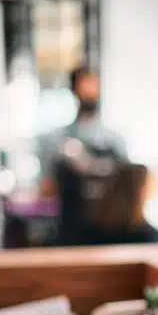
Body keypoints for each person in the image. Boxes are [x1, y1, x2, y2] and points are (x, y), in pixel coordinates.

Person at [37, 66, 128, 245]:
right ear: (74, 91)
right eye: (84, 87)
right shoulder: (58, 141)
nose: (90, 93)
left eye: (94, 87)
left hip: (111, 234)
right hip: (70, 232)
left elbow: (128, 189)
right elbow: (47, 188)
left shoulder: (115, 141)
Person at [73, 163, 158, 245]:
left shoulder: (87, 226)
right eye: (151, 185)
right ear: (140, 191)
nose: (156, 190)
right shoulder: (146, 236)